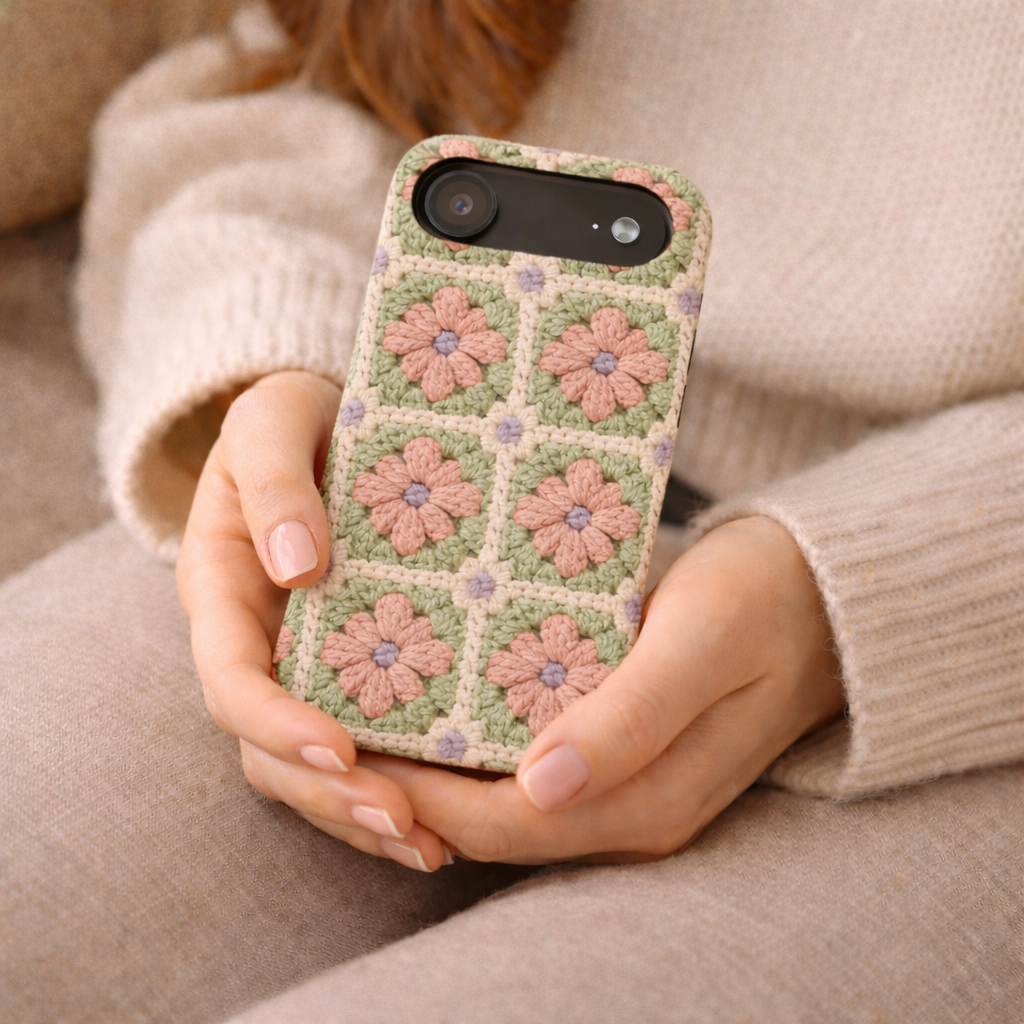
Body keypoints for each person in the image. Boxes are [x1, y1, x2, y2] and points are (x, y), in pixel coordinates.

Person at [2, 1, 1022, 1021]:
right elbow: (272, 88)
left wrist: (861, 596)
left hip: (940, 621)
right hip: (394, 492)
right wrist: (292, 383)